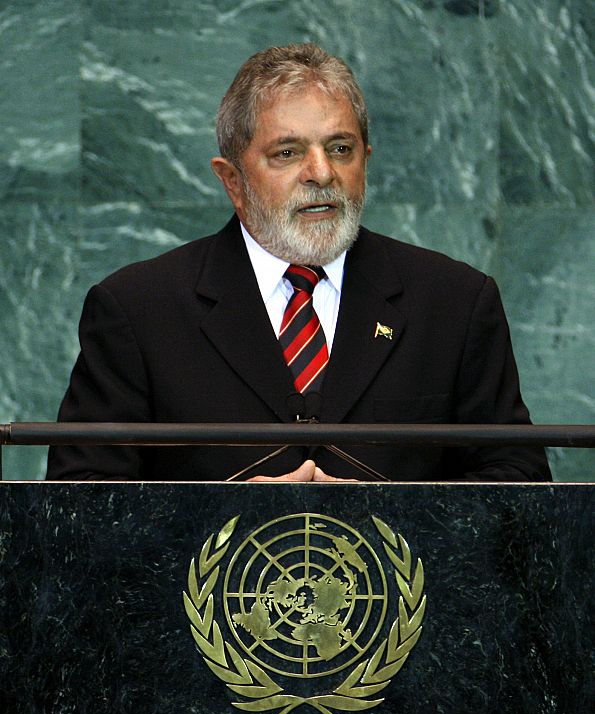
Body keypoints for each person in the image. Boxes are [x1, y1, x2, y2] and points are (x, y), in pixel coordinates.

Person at [46, 44, 551, 483]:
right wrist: (228, 521)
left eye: (340, 148)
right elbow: (81, 499)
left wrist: (392, 518)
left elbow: (520, 480)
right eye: (287, 153)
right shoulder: (138, 310)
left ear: (366, 160)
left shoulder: (455, 303)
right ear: (233, 180)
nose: (321, 172)